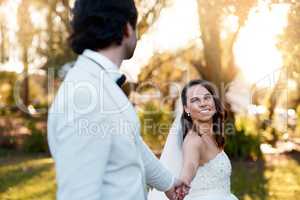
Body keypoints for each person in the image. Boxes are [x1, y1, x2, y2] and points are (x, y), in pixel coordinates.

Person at [47, 0, 189, 199]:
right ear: (127, 29)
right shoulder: (85, 96)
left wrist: (168, 182)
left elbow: (131, 143)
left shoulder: (99, 83)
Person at [148, 80, 238, 200]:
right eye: (195, 100)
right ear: (186, 109)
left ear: (214, 102)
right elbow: (190, 165)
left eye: (207, 98)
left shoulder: (212, 136)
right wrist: (184, 181)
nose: (203, 103)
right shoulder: (194, 140)